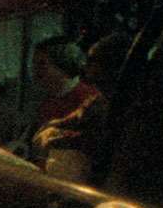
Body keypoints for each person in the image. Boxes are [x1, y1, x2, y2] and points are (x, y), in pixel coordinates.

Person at [27, 35, 105, 182]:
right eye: (34, 65)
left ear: (63, 64)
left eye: (42, 64)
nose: (35, 71)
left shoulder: (89, 98)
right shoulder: (46, 103)